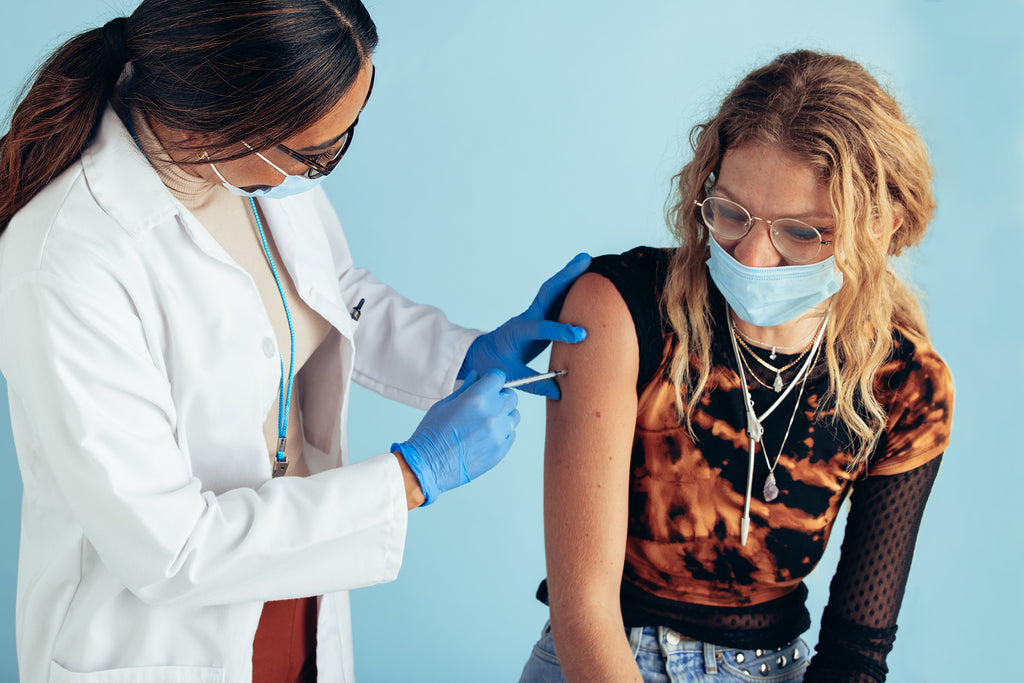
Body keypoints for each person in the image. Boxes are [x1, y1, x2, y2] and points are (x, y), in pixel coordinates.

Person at [0, 1, 590, 681]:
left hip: (298, 591)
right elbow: (171, 548)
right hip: (167, 634)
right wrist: (409, 476)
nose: (325, 167)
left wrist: (465, 355)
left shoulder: (260, 173)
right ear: (230, 117)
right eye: (315, 152)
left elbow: (331, 293)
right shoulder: (68, 257)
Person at [519, 50, 953, 683]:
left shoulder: (905, 384)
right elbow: (584, 609)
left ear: (881, 228)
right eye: (731, 213)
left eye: (803, 232)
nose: (750, 255)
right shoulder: (620, 309)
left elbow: (856, 651)